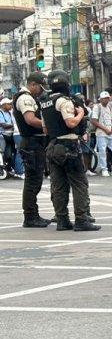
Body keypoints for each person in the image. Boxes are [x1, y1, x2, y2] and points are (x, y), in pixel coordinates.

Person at [40, 71, 100, 231]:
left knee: (58, 186)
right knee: (79, 183)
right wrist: (80, 113)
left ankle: (62, 220)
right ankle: (81, 220)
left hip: (52, 146)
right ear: (66, 84)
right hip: (69, 146)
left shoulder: (45, 102)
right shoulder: (64, 101)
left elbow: (45, 129)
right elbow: (71, 123)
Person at [14, 73, 51, 226]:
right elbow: (30, 119)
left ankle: (33, 214)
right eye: (40, 88)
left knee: (35, 180)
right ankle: (30, 216)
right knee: (32, 181)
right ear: (33, 84)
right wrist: (47, 126)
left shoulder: (29, 97)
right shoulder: (25, 98)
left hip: (33, 142)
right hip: (31, 142)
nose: (41, 91)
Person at [89, 91, 112, 177]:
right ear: (100, 99)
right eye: (104, 98)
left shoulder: (109, 107)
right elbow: (94, 121)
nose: (106, 100)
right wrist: (105, 129)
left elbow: (110, 120)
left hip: (110, 133)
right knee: (102, 152)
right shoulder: (97, 107)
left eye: (107, 98)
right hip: (101, 133)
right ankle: (104, 169)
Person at [0, 97, 22, 178]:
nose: (10, 105)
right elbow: (3, 125)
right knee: (2, 153)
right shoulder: (0, 113)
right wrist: (14, 125)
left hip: (11, 135)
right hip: (3, 136)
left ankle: (8, 168)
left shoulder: (10, 113)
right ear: (3, 105)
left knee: (9, 154)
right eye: (9, 104)